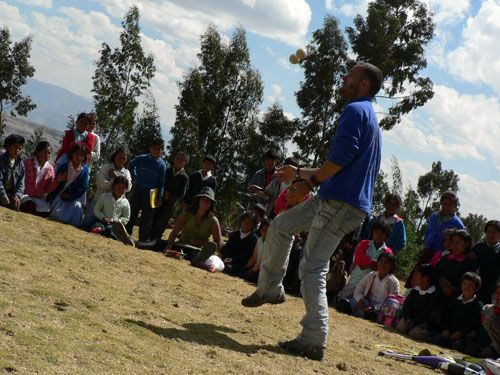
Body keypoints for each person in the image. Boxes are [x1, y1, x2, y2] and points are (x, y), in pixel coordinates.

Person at [241, 62, 384, 361]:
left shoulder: (355, 111)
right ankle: (269, 289)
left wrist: (309, 183)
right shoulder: (367, 114)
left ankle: (313, 338)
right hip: (333, 199)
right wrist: (299, 174)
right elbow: (339, 165)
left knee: (313, 267)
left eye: (351, 76)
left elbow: (341, 160)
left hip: (339, 204)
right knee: (281, 226)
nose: (344, 78)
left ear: (364, 86)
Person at [405, 191, 464, 288]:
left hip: (441, 254)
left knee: (430, 278)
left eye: (450, 204)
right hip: (428, 250)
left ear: (455, 206)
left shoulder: (457, 223)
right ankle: (410, 293)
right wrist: (426, 243)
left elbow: (459, 241)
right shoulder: (434, 216)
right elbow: (428, 231)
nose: (447, 206)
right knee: (418, 273)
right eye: (444, 203)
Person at [162, 187, 222, 267]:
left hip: (199, 250)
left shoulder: (214, 221)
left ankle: (198, 260)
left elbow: (217, 244)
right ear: (199, 200)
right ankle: (144, 244)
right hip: (181, 245)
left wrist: (200, 242)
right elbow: (175, 232)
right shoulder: (186, 214)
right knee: (159, 243)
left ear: (211, 204)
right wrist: (169, 245)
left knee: (196, 254)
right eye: (203, 199)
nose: (205, 202)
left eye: (208, 201)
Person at [337, 221, 393, 300]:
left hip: (373, 283)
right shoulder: (364, 244)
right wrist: (375, 264)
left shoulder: (387, 252)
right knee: (343, 298)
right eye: (376, 232)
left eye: (382, 233)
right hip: (357, 278)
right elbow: (359, 260)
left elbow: (384, 269)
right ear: (372, 233)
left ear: (387, 236)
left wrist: (368, 264)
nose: (378, 235)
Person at [125, 138, 167, 242]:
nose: (156, 150)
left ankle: (143, 240)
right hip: (138, 188)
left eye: (158, 149)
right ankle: (125, 233)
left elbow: (161, 183)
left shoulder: (162, 165)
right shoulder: (142, 158)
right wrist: (134, 176)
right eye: (154, 148)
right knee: (132, 211)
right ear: (150, 148)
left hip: (152, 193)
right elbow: (131, 165)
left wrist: (159, 198)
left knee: (147, 217)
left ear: (162, 151)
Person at [82, 147, 132, 230]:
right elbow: (100, 183)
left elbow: (128, 188)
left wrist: (116, 177)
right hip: (99, 200)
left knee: (110, 226)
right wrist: (114, 181)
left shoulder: (126, 173)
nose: (121, 160)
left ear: (126, 160)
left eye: (124, 158)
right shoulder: (106, 167)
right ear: (115, 156)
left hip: (114, 206)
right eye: (119, 156)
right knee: (86, 226)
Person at [432, 272, 483, 351]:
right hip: (449, 332)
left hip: (463, 335)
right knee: (437, 340)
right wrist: (446, 329)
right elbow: (447, 315)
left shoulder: (478, 304)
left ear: (476, 288)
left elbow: (473, 324)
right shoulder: (455, 299)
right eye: (465, 283)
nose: (467, 287)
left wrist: (461, 333)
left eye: (471, 285)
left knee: (457, 345)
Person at [346, 253, 400, 319]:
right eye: (381, 261)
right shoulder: (371, 275)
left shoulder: (394, 282)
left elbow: (391, 303)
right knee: (349, 304)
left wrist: (374, 308)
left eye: (386, 263)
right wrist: (360, 300)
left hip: (380, 308)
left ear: (391, 266)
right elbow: (358, 290)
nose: (383, 265)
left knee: (373, 315)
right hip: (365, 302)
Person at [150, 151, 189, 241]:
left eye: (182, 160)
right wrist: (162, 193)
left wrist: (171, 195)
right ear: (174, 159)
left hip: (170, 204)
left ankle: (155, 240)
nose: (179, 161)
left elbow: (181, 193)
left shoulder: (184, 177)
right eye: (177, 158)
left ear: (185, 162)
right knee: (152, 217)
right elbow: (159, 182)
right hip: (158, 199)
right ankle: (146, 237)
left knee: (162, 222)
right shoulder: (166, 170)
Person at [48, 143, 90, 227]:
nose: (78, 157)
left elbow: (83, 187)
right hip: (58, 197)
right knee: (57, 215)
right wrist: (59, 180)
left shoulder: (85, 170)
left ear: (84, 157)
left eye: (81, 155)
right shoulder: (64, 166)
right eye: (76, 154)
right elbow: (55, 181)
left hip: (72, 199)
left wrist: (70, 196)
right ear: (72, 154)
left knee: (75, 217)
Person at [395, 264, 440, 341]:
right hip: (410, 320)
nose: (414, 276)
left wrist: (414, 321)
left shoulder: (435, 295)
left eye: (417, 274)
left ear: (425, 279)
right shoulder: (415, 290)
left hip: (424, 323)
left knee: (415, 334)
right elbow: (407, 304)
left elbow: (428, 314)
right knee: (400, 327)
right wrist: (407, 317)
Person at [434, 229, 479, 295]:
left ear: (467, 244)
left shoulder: (471, 263)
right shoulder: (444, 258)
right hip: (438, 294)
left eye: (458, 242)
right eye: (452, 242)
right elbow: (435, 273)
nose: (454, 246)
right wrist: (440, 280)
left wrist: (454, 289)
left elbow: (473, 283)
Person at [90, 176, 132, 246]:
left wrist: (115, 221)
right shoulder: (104, 196)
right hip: (101, 221)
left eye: (123, 188)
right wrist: (103, 217)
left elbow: (126, 218)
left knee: (110, 230)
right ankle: (100, 230)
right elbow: (96, 210)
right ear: (113, 186)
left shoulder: (125, 202)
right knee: (97, 225)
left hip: (114, 226)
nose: (120, 190)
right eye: (118, 186)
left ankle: (105, 232)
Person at [20, 141, 54, 216]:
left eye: (49, 153)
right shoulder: (28, 163)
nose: (47, 155)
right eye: (45, 152)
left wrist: (57, 181)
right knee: (29, 205)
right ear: (38, 152)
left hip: (37, 197)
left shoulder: (50, 168)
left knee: (46, 211)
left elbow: (47, 189)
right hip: (24, 193)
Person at [221, 211, 259, 277]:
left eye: (249, 223)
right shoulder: (234, 234)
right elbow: (228, 248)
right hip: (228, 260)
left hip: (241, 264)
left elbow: (246, 255)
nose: (246, 225)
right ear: (241, 222)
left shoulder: (253, 238)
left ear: (253, 225)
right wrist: (226, 257)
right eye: (244, 222)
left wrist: (233, 260)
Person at [473, 220, 500, 304]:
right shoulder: (478, 248)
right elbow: (472, 263)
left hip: (494, 287)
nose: (490, 235)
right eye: (488, 232)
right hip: (478, 285)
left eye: (494, 232)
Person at [0, 134, 26, 211]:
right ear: (8, 146)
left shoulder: (20, 164)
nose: (17, 150)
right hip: (2, 193)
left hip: (10, 196)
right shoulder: (1, 160)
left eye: (20, 148)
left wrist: (17, 195)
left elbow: (21, 183)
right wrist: (2, 195)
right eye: (15, 147)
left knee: (16, 206)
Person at [242, 217, 270, 283]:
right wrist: (248, 266)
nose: (265, 233)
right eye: (263, 230)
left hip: (264, 270)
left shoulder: (271, 243)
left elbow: (266, 260)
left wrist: (253, 270)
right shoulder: (260, 239)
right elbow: (254, 255)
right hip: (256, 266)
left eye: (267, 231)